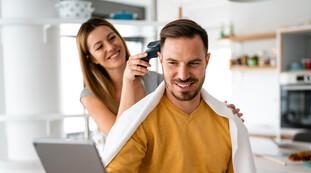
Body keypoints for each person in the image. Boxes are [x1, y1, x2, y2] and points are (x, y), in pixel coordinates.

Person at [44, 19, 262, 173]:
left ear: (207, 61)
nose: (183, 74)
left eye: (194, 63)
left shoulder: (227, 122)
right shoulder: (138, 120)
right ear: (160, 60)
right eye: (173, 63)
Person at [77, 17, 242, 136]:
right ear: (90, 58)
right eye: (99, 47)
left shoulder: (156, 80)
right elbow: (118, 137)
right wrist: (128, 80)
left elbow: (191, 111)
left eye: (112, 38)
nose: (111, 46)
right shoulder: (90, 95)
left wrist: (221, 113)